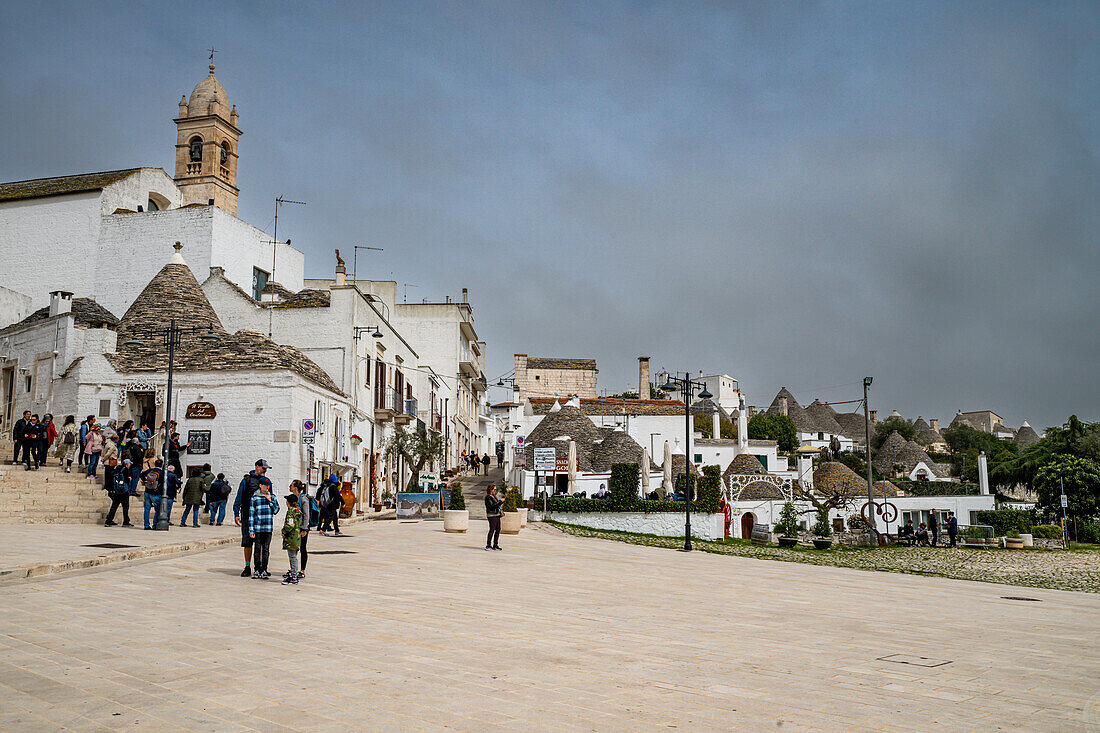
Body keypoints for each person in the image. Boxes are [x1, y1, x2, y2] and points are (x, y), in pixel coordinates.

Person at [234, 459, 271, 578]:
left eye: (266, 468)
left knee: (260, 544)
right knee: (247, 543)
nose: (265, 470)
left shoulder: (266, 482)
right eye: (263, 468)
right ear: (257, 467)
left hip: (261, 518)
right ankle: (247, 566)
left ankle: (260, 567)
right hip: (247, 516)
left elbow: (271, 497)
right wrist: (236, 513)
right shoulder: (247, 480)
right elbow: (239, 497)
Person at [248, 477, 279, 579]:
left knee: (266, 550)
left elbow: (275, 511)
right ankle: (257, 569)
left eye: (269, 485)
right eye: (266, 486)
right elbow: (251, 515)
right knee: (257, 549)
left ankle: (264, 569)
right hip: (258, 529)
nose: (268, 487)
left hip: (268, 529)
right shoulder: (255, 498)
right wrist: (251, 530)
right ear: (260, 486)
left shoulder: (272, 497)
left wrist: (270, 501)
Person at [288, 479, 312, 579]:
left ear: (295, 488)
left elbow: (306, 515)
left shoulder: (303, 499)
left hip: (302, 528)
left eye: (291, 485)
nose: (289, 487)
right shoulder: (294, 498)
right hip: (295, 528)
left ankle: (302, 570)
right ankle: (294, 568)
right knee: (294, 548)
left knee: (302, 548)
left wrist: (304, 529)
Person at [280, 492, 304, 585]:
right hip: (297, 537)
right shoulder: (297, 511)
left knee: (292, 557)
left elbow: (290, 525)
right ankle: (293, 574)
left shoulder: (290, 512)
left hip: (291, 538)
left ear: (288, 502)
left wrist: (284, 531)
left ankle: (294, 576)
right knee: (294, 557)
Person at [105, 458, 134, 527]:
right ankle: (126, 522)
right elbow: (126, 480)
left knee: (114, 506)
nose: (130, 465)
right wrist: (129, 479)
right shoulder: (125, 470)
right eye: (129, 463)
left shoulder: (116, 469)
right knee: (125, 507)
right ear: (127, 464)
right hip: (124, 491)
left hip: (116, 491)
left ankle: (109, 521)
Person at [140, 460, 164, 530]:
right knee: (158, 510)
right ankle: (154, 525)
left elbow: (141, 475)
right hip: (156, 492)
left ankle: (146, 525)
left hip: (147, 491)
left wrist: (145, 482)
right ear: (162, 465)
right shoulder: (162, 473)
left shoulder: (150, 470)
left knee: (147, 509)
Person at [484, 484, 502, 551]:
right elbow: (492, 506)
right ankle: (488, 545)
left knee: (498, 529)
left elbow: (496, 505)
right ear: (490, 490)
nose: (495, 491)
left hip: (497, 514)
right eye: (494, 489)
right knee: (492, 529)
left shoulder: (494, 496)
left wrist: (499, 502)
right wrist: (501, 501)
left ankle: (495, 545)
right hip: (492, 515)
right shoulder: (488, 497)